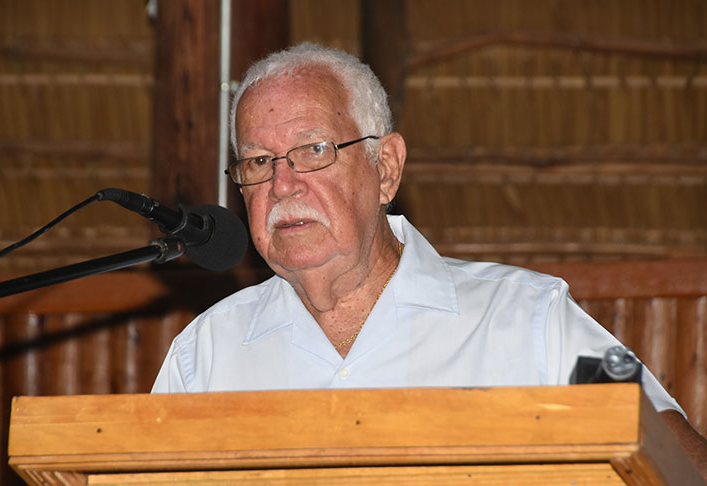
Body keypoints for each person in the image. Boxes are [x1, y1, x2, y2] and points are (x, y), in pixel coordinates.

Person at [152, 42, 706, 473]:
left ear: (385, 167)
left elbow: (672, 451)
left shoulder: (529, 319)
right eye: (257, 162)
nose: (282, 184)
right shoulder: (205, 357)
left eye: (313, 151)